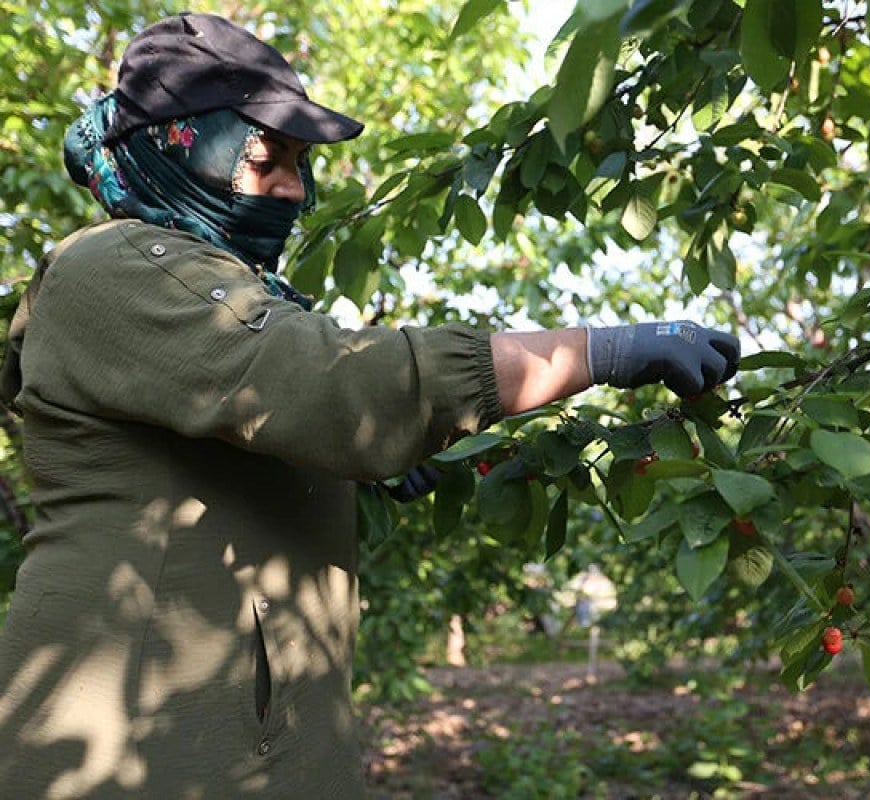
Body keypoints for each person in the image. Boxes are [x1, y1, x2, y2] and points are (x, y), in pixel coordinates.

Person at [0, 13, 739, 799]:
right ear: (178, 146)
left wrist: (350, 470)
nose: (294, 188)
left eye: (299, 163)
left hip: (234, 740)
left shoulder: (209, 284)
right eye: (264, 159)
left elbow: (235, 427)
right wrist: (593, 351)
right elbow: (331, 384)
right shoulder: (116, 266)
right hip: (132, 752)